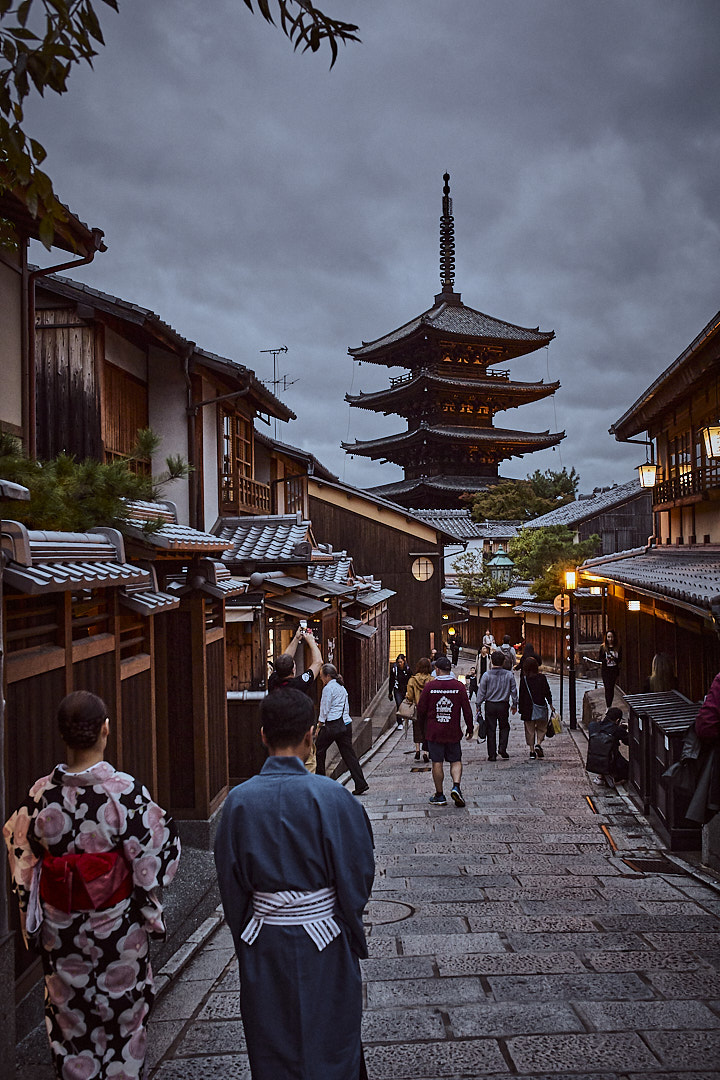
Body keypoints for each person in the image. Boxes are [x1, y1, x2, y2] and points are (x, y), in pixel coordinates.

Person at [3, 691, 180, 1080]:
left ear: (63, 736)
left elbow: (21, 857)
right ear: (105, 730)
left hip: (62, 933)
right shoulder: (125, 793)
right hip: (118, 932)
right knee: (125, 1024)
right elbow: (159, 853)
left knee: (70, 1027)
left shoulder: (39, 797)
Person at [214, 688, 375, 1080]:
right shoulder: (335, 797)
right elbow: (358, 873)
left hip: (265, 941)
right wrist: (344, 921)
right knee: (330, 1040)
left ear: (263, 735)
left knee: (273, 1044)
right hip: (325, 941)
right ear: (310, 735)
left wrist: (248, 932)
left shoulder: (238, 803)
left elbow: (231, 886)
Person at [417, 656, 473, 807]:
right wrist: (470, 727)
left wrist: (422, 731)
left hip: (434, 731)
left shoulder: (429, 687)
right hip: (453, 730)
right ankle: (456, 786)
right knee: (456, 760)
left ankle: (439, 795)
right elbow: (467, 710)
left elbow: (421, 710)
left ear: (437, 669)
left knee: (437, 762)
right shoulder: (459, 686)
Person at [268, 625, 324, 772]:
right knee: (307, 767)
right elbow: (318, 662)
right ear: (293, 669)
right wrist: (311, 640)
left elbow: (285, 659)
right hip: (298, 735)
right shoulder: (299, 683)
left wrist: (296, 638)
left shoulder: (273, 680)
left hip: (278, 734)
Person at [315, 663, 369, 795]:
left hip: (332, 725)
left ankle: (320, 783)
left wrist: (319, 726)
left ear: (328, 676)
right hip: (345, 724)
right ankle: (361, 783)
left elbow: (324, 709)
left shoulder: (328, 688)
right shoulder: (341, 687)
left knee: (319, 750)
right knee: (349, 755)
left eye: (322, 676)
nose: (321, 679)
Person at [476, 648, 519, 761]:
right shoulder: (509, 675)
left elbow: (481, 692)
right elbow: (513, 691)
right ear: (503, 662)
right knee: (504, 726)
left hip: (490, 704)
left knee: (491, 728)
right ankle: (502, 748)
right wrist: (514, 704)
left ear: (491, 661)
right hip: (503, 704)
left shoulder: (486, 675)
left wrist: (478, 705)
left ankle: (492, 754)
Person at [519, 655, 553, 760]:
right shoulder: (541, 678)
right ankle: (538, 743)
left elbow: (522, 694)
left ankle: (532, 750)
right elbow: (547, 691)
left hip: (527, 708)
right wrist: (550, 703)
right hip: (540, 705)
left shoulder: (524, 680)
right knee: (542, 727)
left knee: (530, 729)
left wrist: (520, 708)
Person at [586, 706, 629, 787]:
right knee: (628, 770)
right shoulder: (616, 730)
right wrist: (623, 730)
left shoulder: (593, 726)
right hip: (610, 762)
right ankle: (612, 778)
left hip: (593, 762)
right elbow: (627, 741)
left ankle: (601, 776)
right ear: (617, 720)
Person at [405, 657, 434, 762]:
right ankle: (426, 752)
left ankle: (417, 750)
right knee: (427, 729)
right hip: (429, 708)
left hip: (417, 708)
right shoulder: (431, 680)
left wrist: (410, 699)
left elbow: (410, 695)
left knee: (417, 728)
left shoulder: (412, 680)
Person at [599, 629, 622, 708]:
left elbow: (620, 659)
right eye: (608, 637)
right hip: (606, 670)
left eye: (611, 637)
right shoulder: (603, 647)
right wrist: (605, 660)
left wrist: (614, 659)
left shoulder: (618, 647)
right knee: (607, 687)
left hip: (614, 670)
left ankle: (610, 704)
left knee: (611, 688)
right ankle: (608, 706)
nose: (610, 639)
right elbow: (600, 658)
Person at [388, 654, 410, 728]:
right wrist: (390, 692)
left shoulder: (407, 669)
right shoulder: (394, 670)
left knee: (405, 704)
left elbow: (411, 679)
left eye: (401, 662)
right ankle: (399, 722)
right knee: (399, 704)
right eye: (398, 662)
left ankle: (405, 717)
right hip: (397, 689)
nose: (400, 664)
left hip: (405, 689)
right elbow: (391, 681)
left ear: (404, 661)